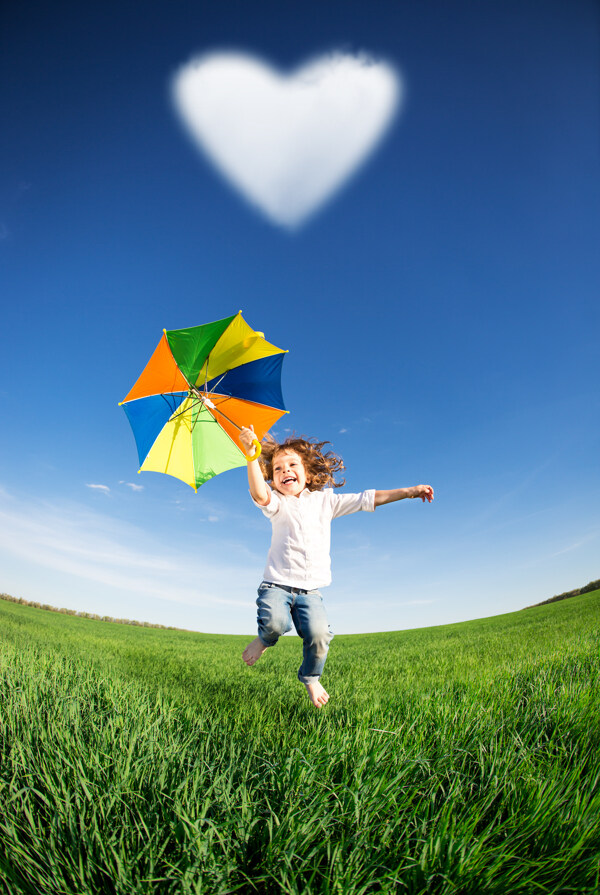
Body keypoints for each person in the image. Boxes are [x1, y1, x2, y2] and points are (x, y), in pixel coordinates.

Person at [238, 425, 434, 708]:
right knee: (275, 624)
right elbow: (259, 494)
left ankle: (310, 677)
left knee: (320, 636)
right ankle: (265, 639)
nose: (284, 471)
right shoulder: (277, 502)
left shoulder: (324, 502)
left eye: (292, 465)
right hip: (276, 586)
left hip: (310, 592)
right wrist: (251, 456)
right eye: (277, 469)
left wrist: (409, 491)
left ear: (308, 472)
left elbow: (366, 499)